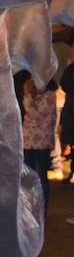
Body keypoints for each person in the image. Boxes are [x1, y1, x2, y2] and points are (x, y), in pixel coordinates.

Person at [22, 74, 58, 213]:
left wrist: (30, 96)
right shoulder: (31, 94)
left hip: (42, 141)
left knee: (41, 172)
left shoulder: (49, 95)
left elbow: (37, 114)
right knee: (29, 171)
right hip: (29, 140)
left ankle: (42, 203)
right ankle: (31, 201)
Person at [59, 47, 74, 183]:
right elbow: (63, 84)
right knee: (69, 140)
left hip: (70, 108)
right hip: (70, 109)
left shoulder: (70, 69)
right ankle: (70, 170)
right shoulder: (70, 69)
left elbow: (64, 84)